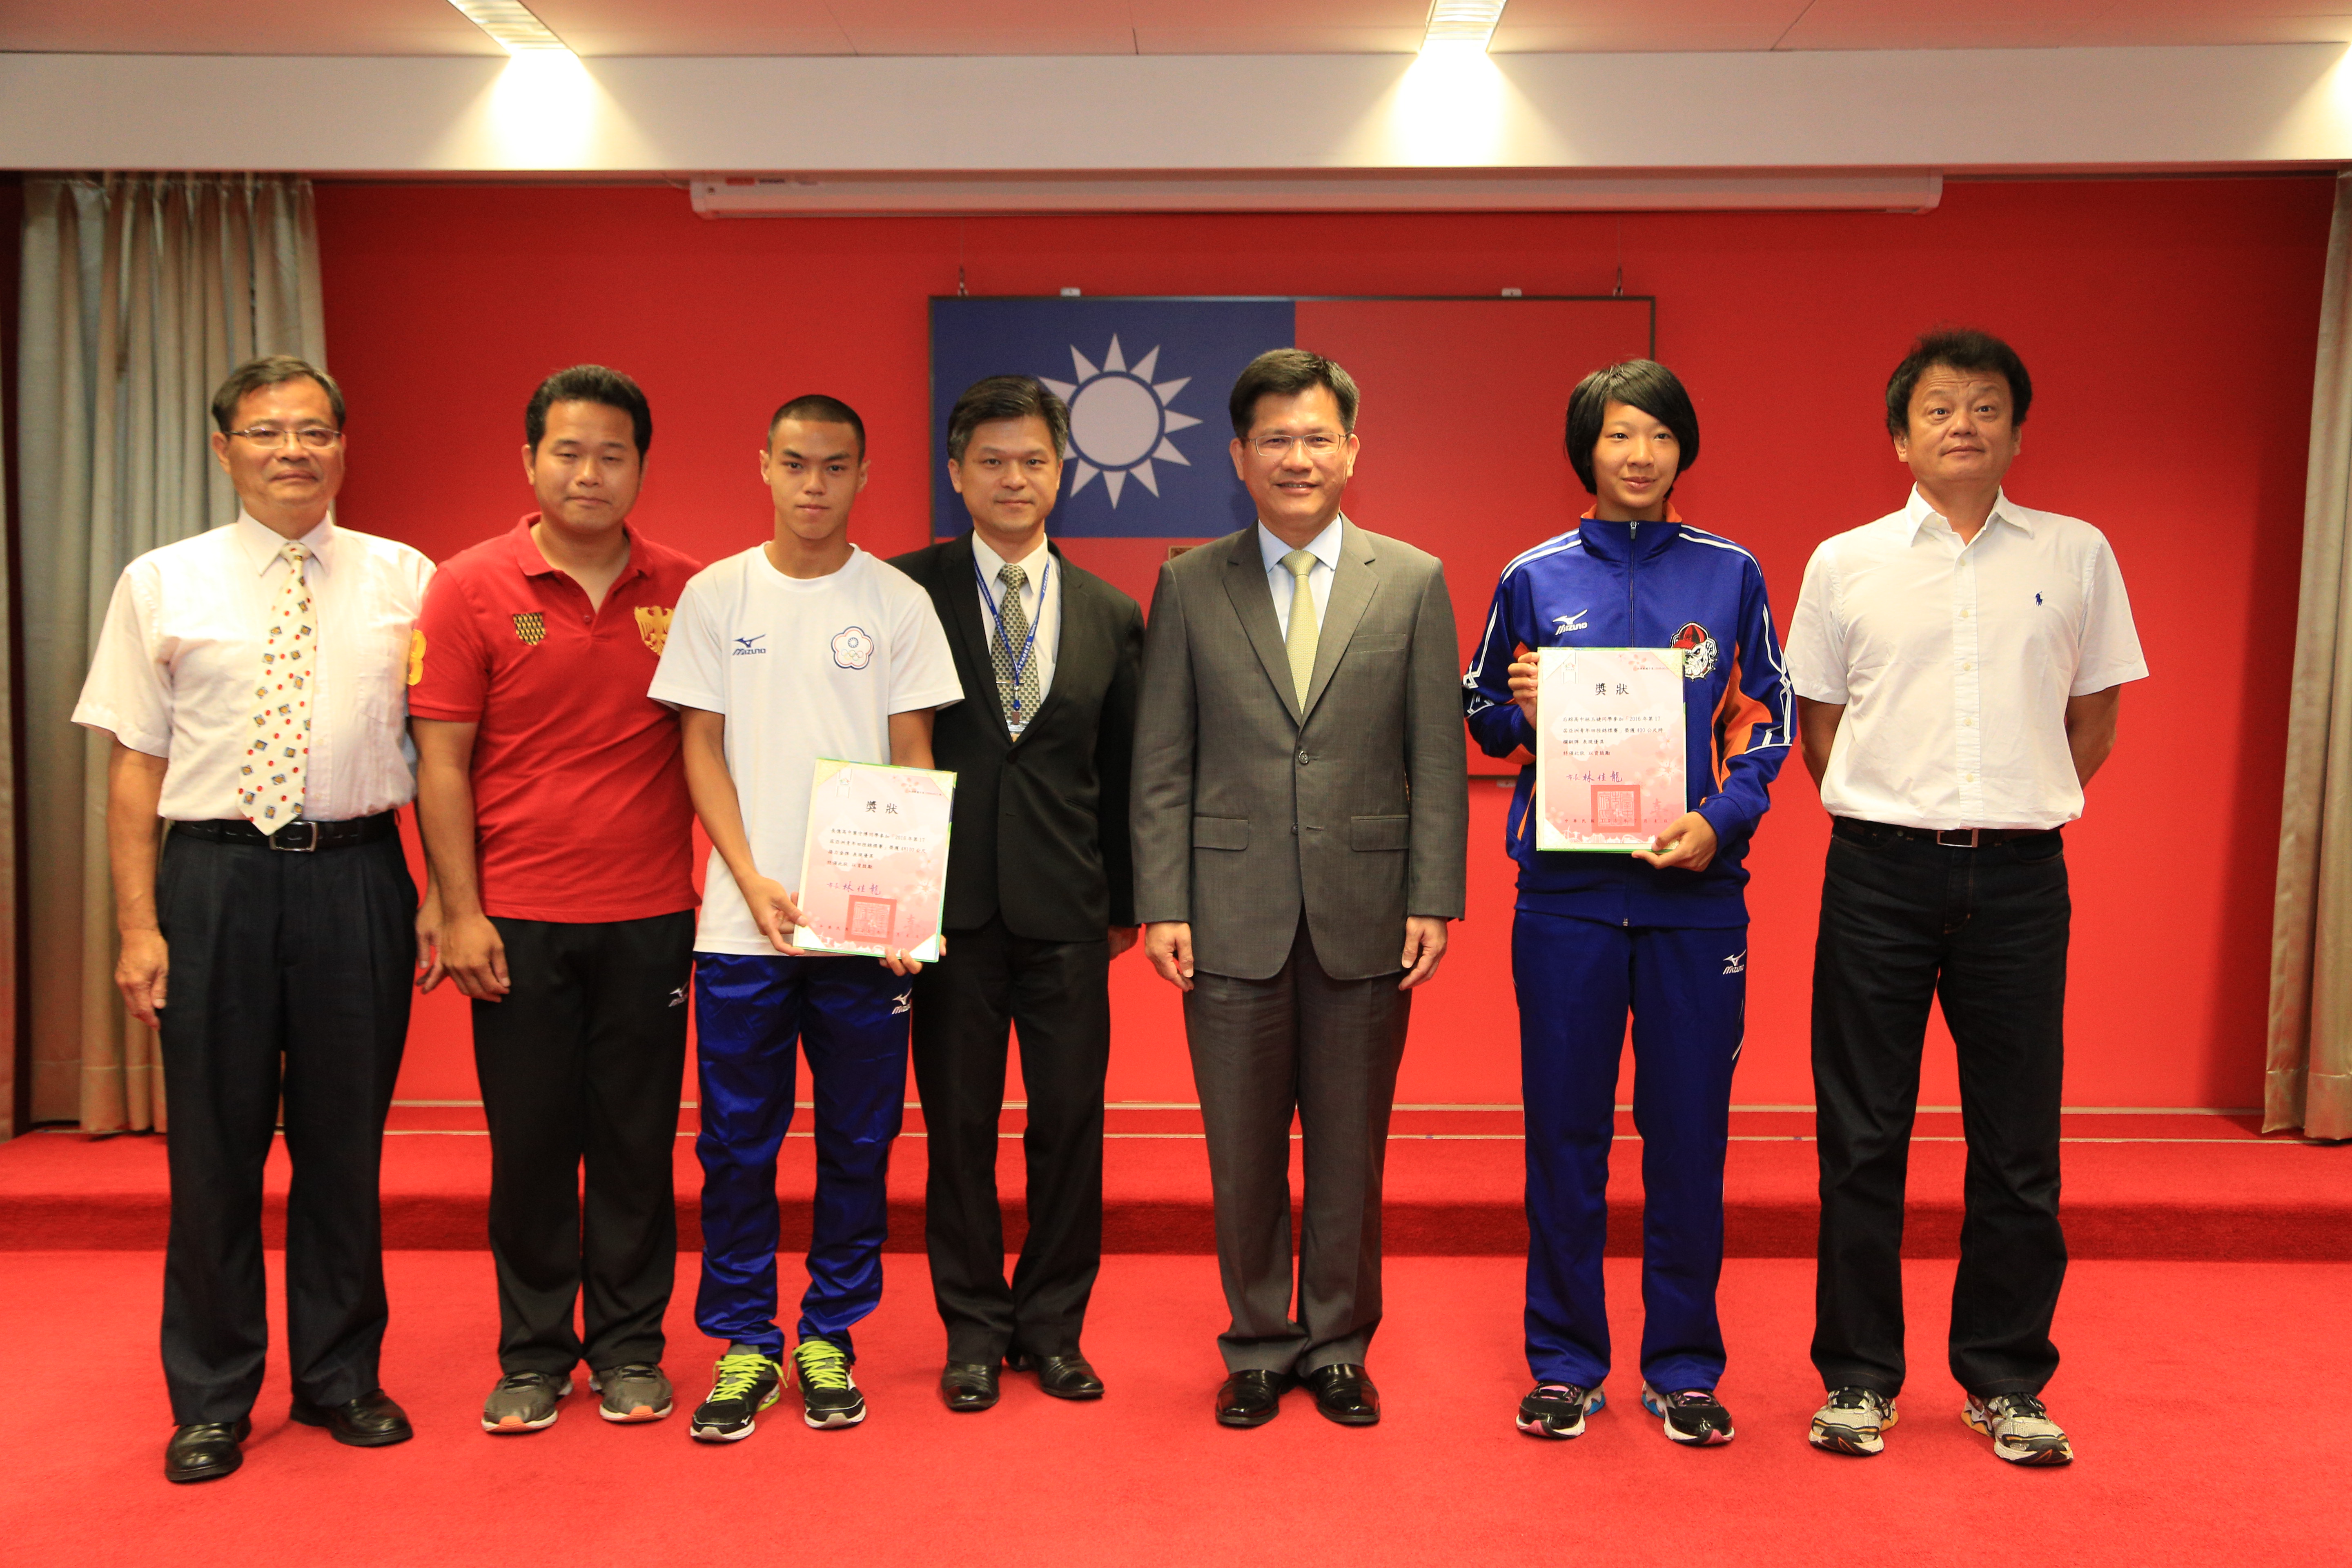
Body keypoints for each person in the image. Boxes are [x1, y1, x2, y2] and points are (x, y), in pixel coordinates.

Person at [1786, 329, 2145, 1467]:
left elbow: (2095, 715)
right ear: (1900, 436)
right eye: (1938, 409)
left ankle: (2006, 1379)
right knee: (1861, 1137)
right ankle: (1858, 1378)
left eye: (1986, 407)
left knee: (2018, 1142)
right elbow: (1819, 726)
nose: (1963, 426)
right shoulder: (1844, 561)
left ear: (2017, 432)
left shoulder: (2078, 552)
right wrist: (1902, 809)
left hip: (2022, 878)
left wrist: (2011, 805)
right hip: (1877, 873)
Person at [74, 356, 434, 1483]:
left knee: (344, 1147)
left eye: (316, 431)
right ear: (223, 448)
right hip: (213, 883)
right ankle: (213, 1396)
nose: (294, 451)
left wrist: (448, 896)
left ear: (343, 446)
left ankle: (340, 1376)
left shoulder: (407, 578)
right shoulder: (162, 582)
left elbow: (447, 754)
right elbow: (135, 766)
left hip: (357, 877)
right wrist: (139, 926)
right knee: (213, 1152)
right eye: (269, 432)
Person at [1131, 348, 1467, 1429]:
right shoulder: (1190, 582)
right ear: (1239, 456)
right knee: (1241, 1153)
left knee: (1349, 1149)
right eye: (1275, 439)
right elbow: (1162, 760)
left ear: (1353, 450)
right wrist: (1163, 901)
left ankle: (1337, 1345)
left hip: (1369, 911)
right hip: (1227, 912)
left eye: (1318, 437)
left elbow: (1435, 756)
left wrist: (1434, 895)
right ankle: (1257, 1344)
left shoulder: (1410, 580)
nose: (1297, 457)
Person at [1462, 359, 1792, 1447]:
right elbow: (1482, 712)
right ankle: (1564, 1362)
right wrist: (1520, 708)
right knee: (1564, 1134)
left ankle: (1685, 1366)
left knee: (1689, 1135)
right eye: (1617, 435)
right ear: (1585, 451)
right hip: (1565, 900)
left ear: (1683, 447)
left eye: (1657, 434)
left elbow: (1766, 720)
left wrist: (1722, 821)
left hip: (1696, 897)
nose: (1639, 455)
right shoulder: (1534, 576)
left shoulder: (1731, 574)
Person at [649, 394, 961, 1442]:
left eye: (834, 466)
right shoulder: (715, 594)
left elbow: (913, 753)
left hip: (862, 926)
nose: (814, 485)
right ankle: (745, 1341)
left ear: (863, 475)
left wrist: (910, 906)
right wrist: (748, 876)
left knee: (860, 1139)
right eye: (795, 464)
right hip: (744, 925)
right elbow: (699, 747)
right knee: (737, 1143)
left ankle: (830, 1333)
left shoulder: (897, 602)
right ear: (766, 467)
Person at [409, 366, 701, 1434]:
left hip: (651, 917)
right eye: (568, 452)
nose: (590, 473)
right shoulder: (468, 587)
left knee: (635, 1145)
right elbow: (442, 764)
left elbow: (716, 750)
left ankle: (629, 1349)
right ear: (530, 460)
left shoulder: (687, 589)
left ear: (641, 467)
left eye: (612, 454)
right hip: (517, 922)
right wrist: (459, 907)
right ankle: (532, 1354)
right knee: (531, 1147)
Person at [890, 376, 1144, 1412]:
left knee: (1069, 1126)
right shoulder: (902, 592)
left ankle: (1053, 1328)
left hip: (1069, 912)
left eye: (1034, 460)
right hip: (945, 912)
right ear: (956, 473)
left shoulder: (1112, 612)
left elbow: (1122, 771)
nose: (1014, 479)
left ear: (1062, 471)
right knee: (959, 1131)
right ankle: (973, 1332)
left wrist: (1126, 905)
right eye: (991, 461)